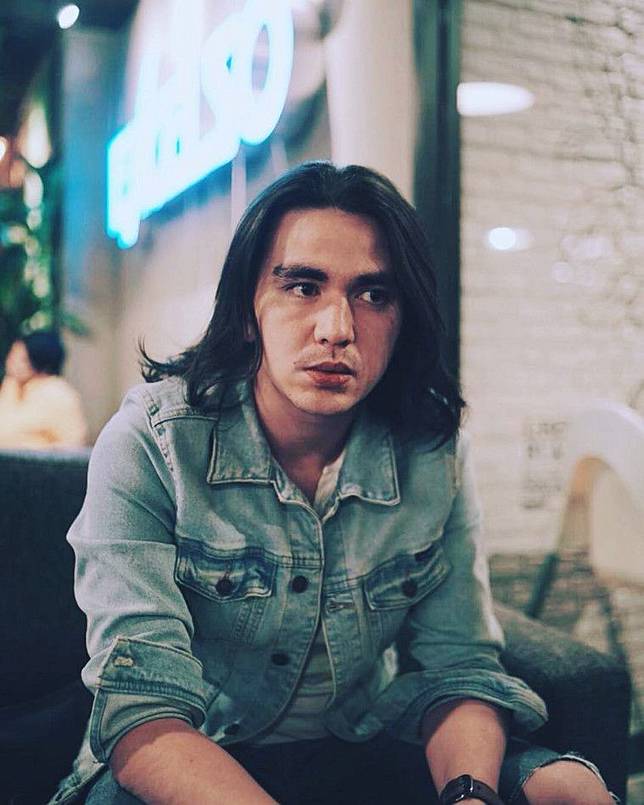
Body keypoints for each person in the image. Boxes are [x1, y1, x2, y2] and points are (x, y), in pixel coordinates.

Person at [52, 162, 613, 805]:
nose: (337, 328)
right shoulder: (153, 442)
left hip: (360, 742)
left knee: (568, 789)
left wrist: (469, 795)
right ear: (247, 308)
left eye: (374, 295)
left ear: (403, 320)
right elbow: (144, 715)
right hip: (195, 751)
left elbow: (459, 668)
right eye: (303, 287)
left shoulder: (431, 452)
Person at [0, 330, 88, 450]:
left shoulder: (59, 394)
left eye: (21, 359)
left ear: (39, 361)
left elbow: (73, 443)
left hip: (37, 461)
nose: (10, 363)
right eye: (12, 356)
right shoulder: (10, 386)